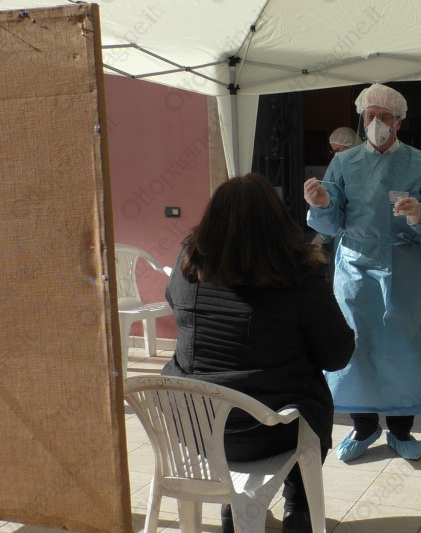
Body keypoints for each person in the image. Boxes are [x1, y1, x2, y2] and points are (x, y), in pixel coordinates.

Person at [161, 173, 355, 533]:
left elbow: (175, 305)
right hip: (265, 430)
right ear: (278, 220)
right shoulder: (299, 274)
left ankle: (236, 509)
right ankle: (298, 505)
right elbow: (336, 355)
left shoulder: (188, 264)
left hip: (196, 426)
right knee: (305, 398)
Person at [303, 83, 421, 462]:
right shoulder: (345, 163)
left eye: (385, 117)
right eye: (370, 116)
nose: (376, 123)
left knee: (404, 347)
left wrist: (420, 213)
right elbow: (331, 222)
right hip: (356, 268)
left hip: (405, 267)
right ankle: (364, 425)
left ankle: (401, 430)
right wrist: (321, 204)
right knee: (358, 347)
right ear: (362, 118)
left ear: (399, 122)